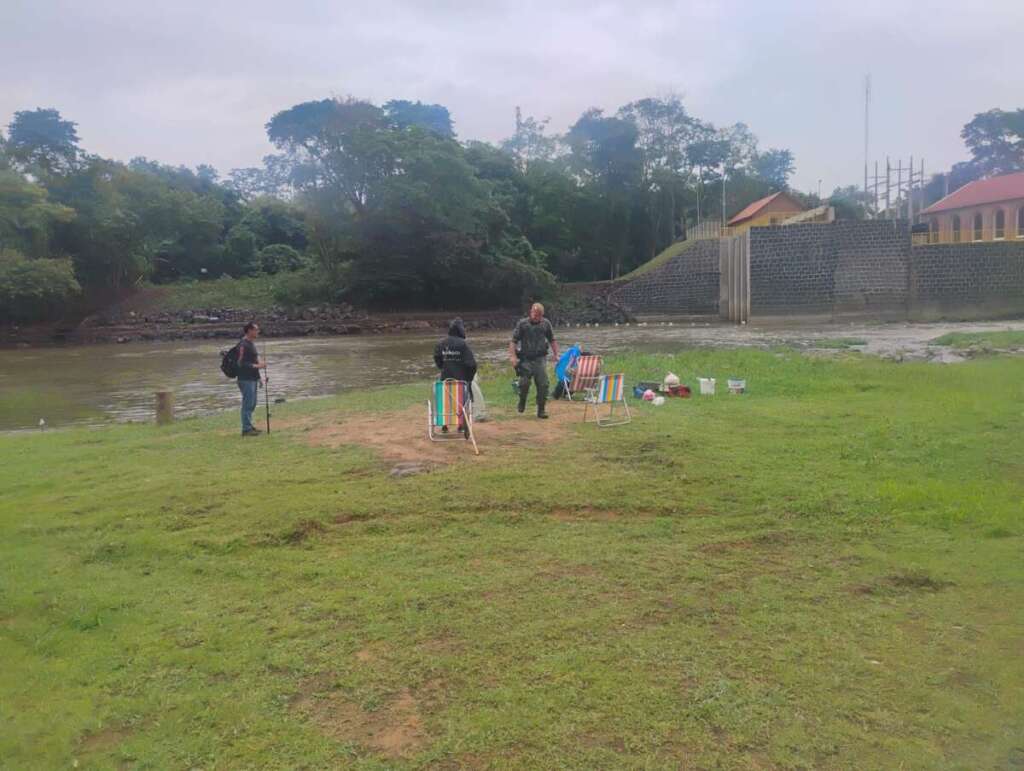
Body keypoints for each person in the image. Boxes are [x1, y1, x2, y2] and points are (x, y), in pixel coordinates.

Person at [509, 302, 559, 419]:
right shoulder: (523, 324)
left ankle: (541, 410)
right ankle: (522, 400)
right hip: (525, 359)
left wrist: (556, 354)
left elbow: (552, 340)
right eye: (533, 313)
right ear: (530, 311)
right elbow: (513, 341)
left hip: (540, 359)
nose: (534, 316)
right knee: (524, 383)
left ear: (541, 315)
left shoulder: (546, 324)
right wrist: (513, 356)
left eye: (537, 315)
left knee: (543, 384)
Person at [433, 318, 482, 429]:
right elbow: (472, 365)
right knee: (463, 397)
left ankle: (444, 421)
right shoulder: (463, 345)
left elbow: (437, 359)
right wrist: (469, 378)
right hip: (461, 382)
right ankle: (461, 422)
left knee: (445, 398)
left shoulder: (441, 344)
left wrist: (443, 367)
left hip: (445, 382)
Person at [236, 321, 266, 436]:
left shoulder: (251, 344)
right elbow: (241, 364)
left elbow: (253, 362)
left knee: (252, 404)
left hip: (252, 378)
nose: (258, 331)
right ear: (249, 331)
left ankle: (249, 426)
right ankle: (246, 429)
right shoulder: (242, 345)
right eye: (256, 329)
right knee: (247, 404)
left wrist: (259, 378)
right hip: (245, 379)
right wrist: (259, 366)